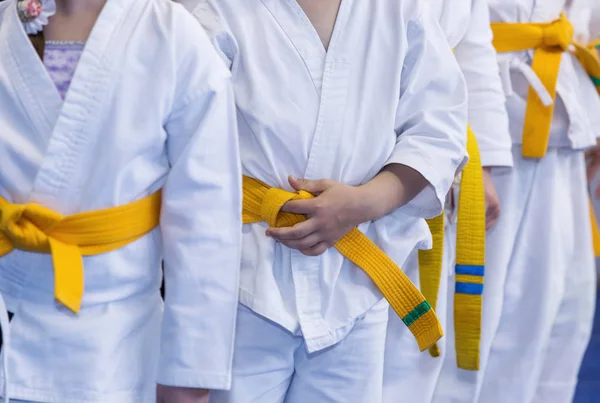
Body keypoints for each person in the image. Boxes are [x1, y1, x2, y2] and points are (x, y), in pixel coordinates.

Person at [180, 0, 469, 401]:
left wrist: (364, 202)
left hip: (357, 280)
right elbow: (185, 147)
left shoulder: (401, 9)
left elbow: (439, 128)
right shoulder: (215, 11)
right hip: (240, 277)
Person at [0, 0, 242, 402]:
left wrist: (189, 374)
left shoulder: (172, 35)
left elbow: (206, 222)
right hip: (9, 319)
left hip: (115, 340)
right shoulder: (7, 23)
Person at [383, 1, 512, 402]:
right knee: (385, 343)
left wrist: (485, 161)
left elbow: (474, 48)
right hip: (375, 145)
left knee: (428, 344)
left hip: (445, 147)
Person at [474, 1, 600, 402]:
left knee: (568, 313)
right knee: (501, 324)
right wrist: (478, 155)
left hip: (566, 135)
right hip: (497, 139)